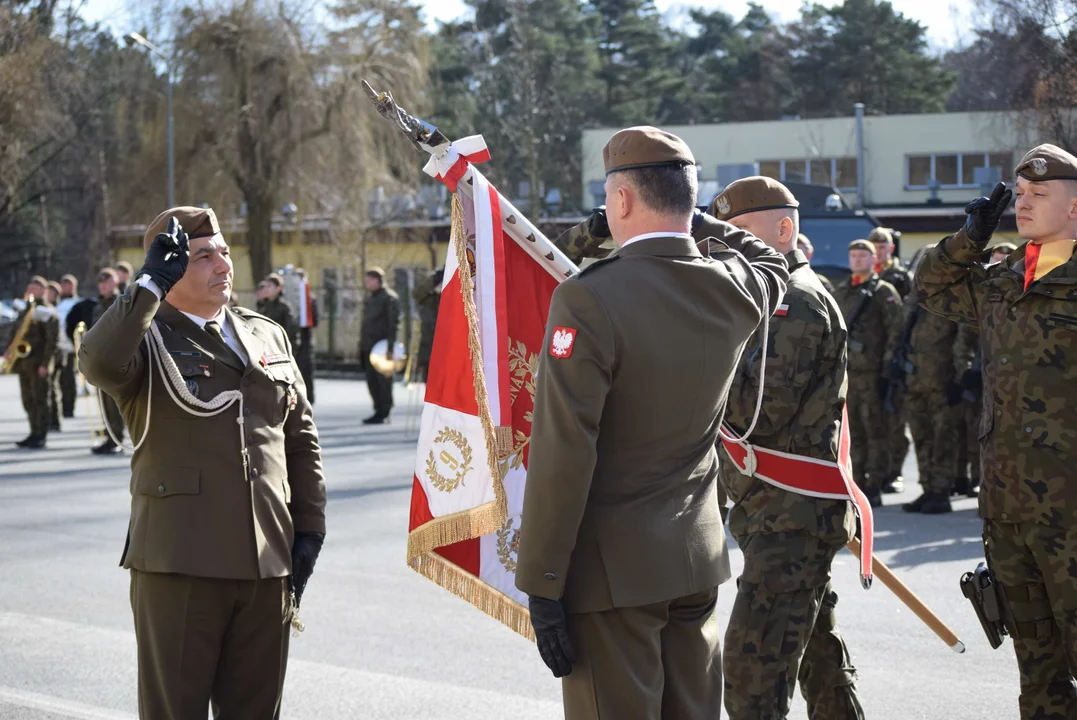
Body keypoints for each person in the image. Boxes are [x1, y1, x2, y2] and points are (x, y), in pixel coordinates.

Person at [516, 126, 788, 719]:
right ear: (688, 200)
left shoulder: (591, 298)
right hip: (695, 554)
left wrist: (543, 576)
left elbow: (566, 450)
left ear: (620, 201)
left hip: (612, 570)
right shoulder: (736, 288)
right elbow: (772, 260)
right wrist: (698, 221)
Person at [79, 205, 326, 719]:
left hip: (267, 563)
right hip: (180, 565)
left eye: (225, 252)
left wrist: (310, 529)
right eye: (201, 256)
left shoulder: (266, 333)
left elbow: (299, 438)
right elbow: (98, 362)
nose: (222, 265)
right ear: (170, 270)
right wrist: (146, 285)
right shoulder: (144, 337)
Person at [917, 145, 1077, 719]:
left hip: (1071, 510)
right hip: (1006, 507)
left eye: (1040, 195)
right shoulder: (1001, 280)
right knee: (1037, 669)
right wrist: (969, 237)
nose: (1024, 204)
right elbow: (931, 287)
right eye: (1020, 195)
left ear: (1076, 208)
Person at [709, 177, 863, 718]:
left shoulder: (792, 302)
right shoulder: (764, 294)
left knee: (752, 675)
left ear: (784, 229)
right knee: (820, 664)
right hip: (775, 510)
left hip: (790, 517)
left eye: (739, 234)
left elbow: (757, 416)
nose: (726, 248)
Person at [833, 240, 902, 507]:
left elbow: (895, 332)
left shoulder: (884, 291)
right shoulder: (841, 292)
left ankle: (875, 483)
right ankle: (855, 480)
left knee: (876, 430)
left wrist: (887, 371)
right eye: (853, 255)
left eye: (863, 256)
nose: (857, 260)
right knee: (853, 433)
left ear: (873, 260)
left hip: (873, 373)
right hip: (847, 374)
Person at [896, 284, 963, 514]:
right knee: (920, 435)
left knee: (943, 437)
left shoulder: (954, 298)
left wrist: (960, 377)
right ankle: (928, 487)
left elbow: (964, 340)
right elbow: (901, 335)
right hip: (914, 380)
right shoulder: (914, 300)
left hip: (942, 381)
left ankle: (941, 491)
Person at [868, 227, 911, 494]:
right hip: (870, 357)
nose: (878, 252)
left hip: (893, 355)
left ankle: (894, 472)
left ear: (890, 249)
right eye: (874, 247)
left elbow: (906, 318)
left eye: (882, 247)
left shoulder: (900, 278)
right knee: (873, 421)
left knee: (895, 421)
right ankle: (877, 471)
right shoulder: (866, 279)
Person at [6, 276, 59, 449]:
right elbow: (15, 334)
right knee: (28, 399)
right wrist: (9, 352)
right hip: (24, 364)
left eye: (34, 289)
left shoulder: (46, 312)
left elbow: (52, 341)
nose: (30, 292)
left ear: (43, 291)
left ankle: (41, 434)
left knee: (40, 399)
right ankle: (33, 431)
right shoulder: (24, 311)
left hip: (38, 363)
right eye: (29, 288)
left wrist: (46, 364)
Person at [89, 269, 127, 455]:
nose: (105, 286)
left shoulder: (122, 302)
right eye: (102, 283)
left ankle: (117, 439)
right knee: (103, 401)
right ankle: (110, 437)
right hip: (100, 360)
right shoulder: (98, 306)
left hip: (116, 358)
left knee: (114, 402)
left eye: (108, 282)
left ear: (115, 283)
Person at [358, 266, 399, 424]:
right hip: (368, 345)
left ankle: (385, 411)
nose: (367, 283)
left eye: (369, 280)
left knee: (383, 380)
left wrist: (390, 347)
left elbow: (393, 324)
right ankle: (377, 409)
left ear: (377, 280)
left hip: (381, 346)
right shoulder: (370, 298)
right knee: (372, 379)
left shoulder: (389, 298)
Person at [55, 274, 81, 419]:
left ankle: (69, 408)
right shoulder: (57, 304)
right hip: (58, 347)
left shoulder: (77, 303)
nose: (67, 288)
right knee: (58, 380)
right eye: (65, 285)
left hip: (71, 347)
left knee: (69, 380)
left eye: (70, 285)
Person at [411, 267, 442, 382]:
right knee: (429, 381)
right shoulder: (435, 281)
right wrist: (434, 281)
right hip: (429, 342)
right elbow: (417, 294)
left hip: (448, 344)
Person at [292, 268, 318, 404]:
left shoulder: (310, 299)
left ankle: (309, 400)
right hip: (292, 339)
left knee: (306, 372)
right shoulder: (288, 298)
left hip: (305, 340)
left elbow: (315, 321)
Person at [45, 280, 64, 431]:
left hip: (58, 352)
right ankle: (51, 419)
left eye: (50, 292)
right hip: (50, 352)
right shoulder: (45, 308)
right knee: (50, 387)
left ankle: (55, 420)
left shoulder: (59, 308)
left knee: (53, 386)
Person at [260, 273, 297, 343]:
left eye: (269, 286)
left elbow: (291, 332)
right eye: (265, 286)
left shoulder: (284, 308)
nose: (266, 289)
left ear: (278, 288)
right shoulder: (264, 307)